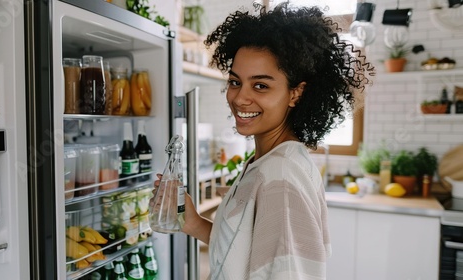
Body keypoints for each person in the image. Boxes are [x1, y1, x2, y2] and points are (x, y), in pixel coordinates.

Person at [151, 2, 374, 279]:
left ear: (296, 93)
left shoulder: (281, 177)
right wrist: (193, 222)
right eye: (235, 82)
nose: (240, 98)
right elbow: (244, 251)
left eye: (260, 85)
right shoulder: (269, 160)